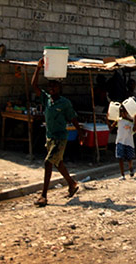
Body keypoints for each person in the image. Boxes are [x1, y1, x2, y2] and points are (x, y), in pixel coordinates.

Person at [31, 58, 82, 207]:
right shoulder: (46, 100)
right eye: (50, 86)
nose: (51, 88)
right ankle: (72, 184)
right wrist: (38, 68)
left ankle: (44, 196)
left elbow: (73, 119)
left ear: (59, 88)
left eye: (54, 86)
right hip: (50, 136)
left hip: (60, 137)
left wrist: (80, 133)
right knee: (58, 163)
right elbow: (34, 85)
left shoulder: (64, 103)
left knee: (48, 162)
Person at [109, 104, 136, 179]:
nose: (123, 114)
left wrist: (135, 119)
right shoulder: (118, 121)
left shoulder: (130, 122)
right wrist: (107, 119)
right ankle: (122, 175)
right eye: (121, 112)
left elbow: (134, 130)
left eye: (124, 112)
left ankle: (130, 168)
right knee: (120, 158)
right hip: (120, 141)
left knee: (129, 158)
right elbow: (111, 128)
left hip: (129, 142)